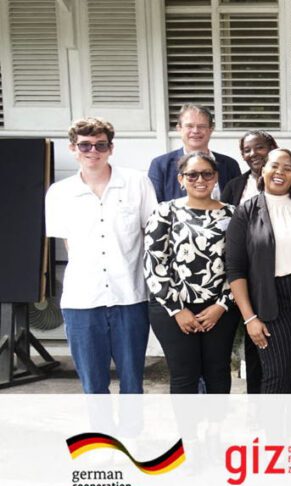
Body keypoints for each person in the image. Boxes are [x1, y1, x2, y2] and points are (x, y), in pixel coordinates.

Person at [45, 117, 158, 394]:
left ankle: (131, 424)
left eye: (100, 145)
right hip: (82, 300)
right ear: (73, 148)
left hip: (130, 297)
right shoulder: (59, 193)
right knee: (93, 387)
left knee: (132, 384)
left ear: (111, 148)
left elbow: (152, 235)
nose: (93, 151)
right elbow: (69, 243)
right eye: (85, 145)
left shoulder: (136, 183)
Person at [226, 149, 291, 393]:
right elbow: (235, 269)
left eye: (288, 168)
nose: (280, 172)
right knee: (277, 373)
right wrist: (250, 318)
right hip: (269, 298)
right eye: (275, 166)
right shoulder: (246, 212)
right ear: (263, 170)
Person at [145, 153, 240, 394]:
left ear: (216, 177)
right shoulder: (165, 211)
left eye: (207, 174)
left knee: (218, 371)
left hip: (219, 309)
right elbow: (154, 263)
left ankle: (216, 420)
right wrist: (178, 309)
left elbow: (239, 264)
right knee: (184, 375)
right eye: (192, 175)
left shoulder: (233, 214)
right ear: (181, 179)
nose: (200, 180)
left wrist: (222, 305)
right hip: (173, 308)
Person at [148, 104, 241, 203]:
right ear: (179, 128)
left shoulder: (230, 165)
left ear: (211, 129)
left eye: (201, 126)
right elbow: (154, 205)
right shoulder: (161, 165)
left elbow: (238, 204)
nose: (196, 131)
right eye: (189, 126)